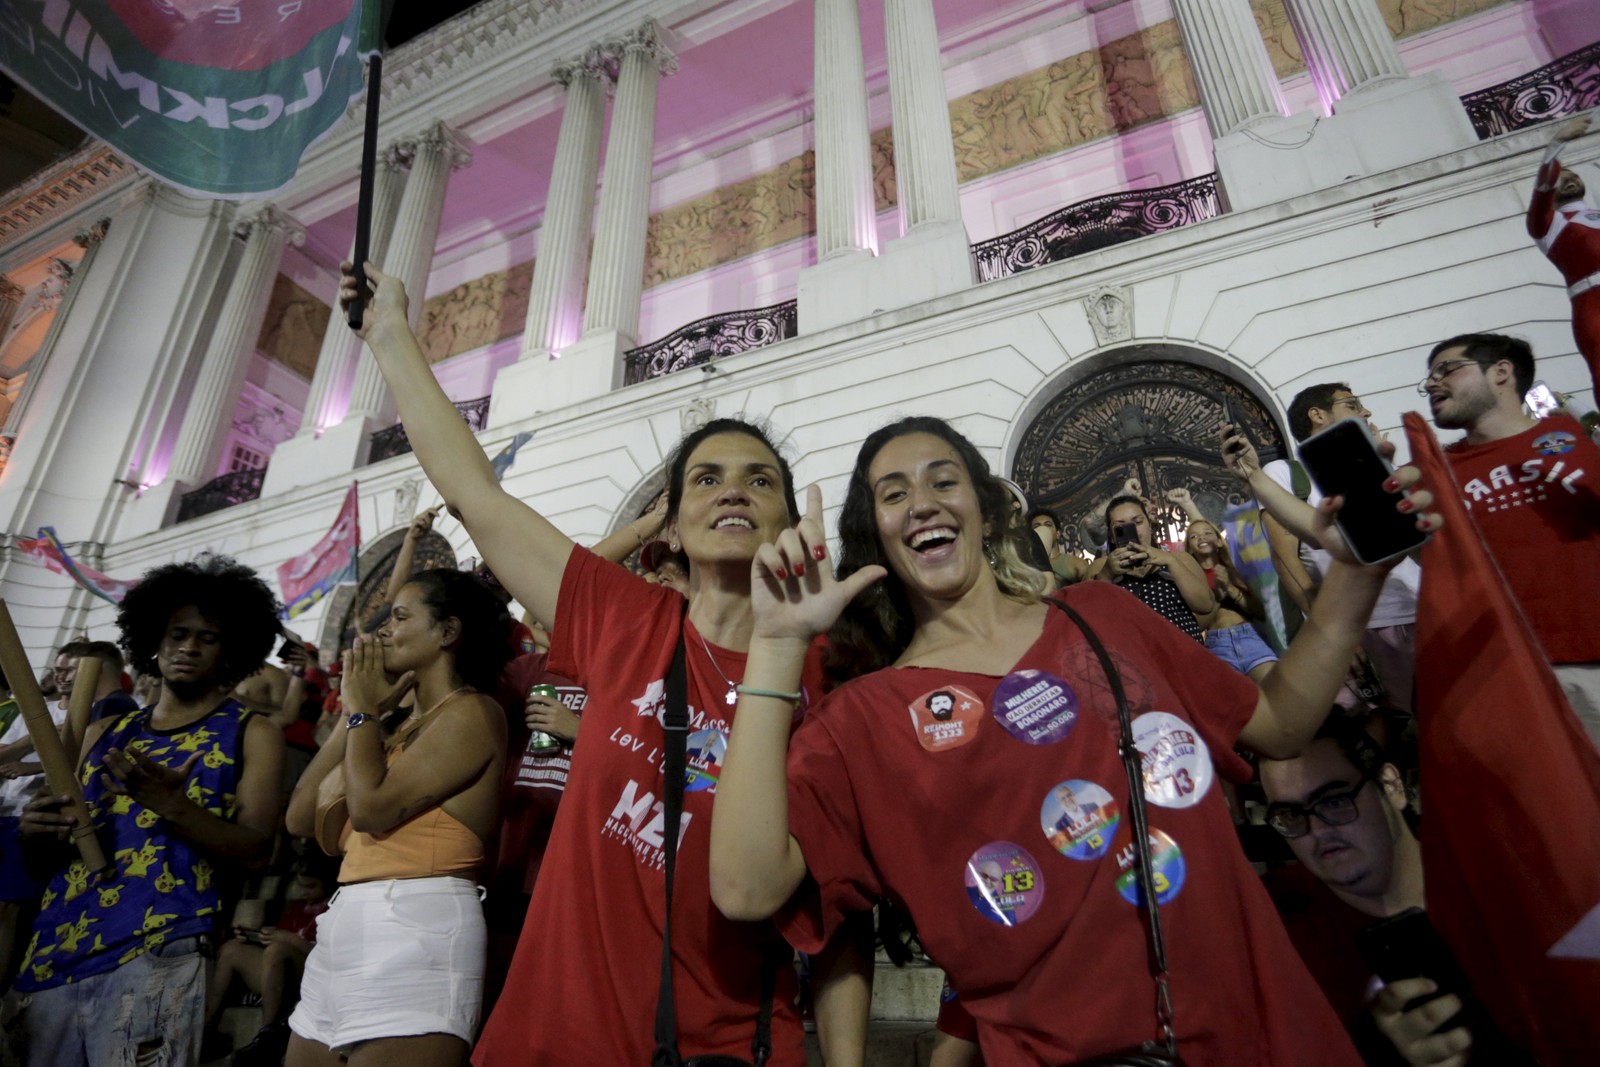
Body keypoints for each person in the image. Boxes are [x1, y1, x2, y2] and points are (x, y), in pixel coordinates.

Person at [709, 415, 1441, 1063]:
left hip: (1266, 1026)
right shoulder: (862, 718)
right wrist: (776, 646)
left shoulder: (1103, 616)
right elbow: (746, 887)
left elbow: (1280, 722)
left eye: (943, 479)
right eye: (894, 492)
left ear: (988, 511)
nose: (924, 501)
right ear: (877, 535)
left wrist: (1354, 569)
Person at [337, 259, 850, 1067]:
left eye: (761, 480)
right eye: (707, 478)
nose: (734, 491)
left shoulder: (822, 671)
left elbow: (819, 906)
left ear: (786, 515)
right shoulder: (624, 616)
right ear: (671, 528)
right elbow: (479, 495)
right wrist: (392, 336)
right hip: (549, 1034)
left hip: (710, 1044)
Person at [15, 554, 285, 1067]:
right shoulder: (100, 734)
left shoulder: (252, 732)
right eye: (177, 633)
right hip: (56, 951)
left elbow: (256, 850)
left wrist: (171, 807)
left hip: (162, 947)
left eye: (208, 638)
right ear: (152, 642)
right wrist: (35, 831)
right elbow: (49, 853)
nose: (188, 646)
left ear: (231, 651)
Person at [283, 568, 511, 1067]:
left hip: (419, 928)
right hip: (347, 921)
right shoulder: (390, 724)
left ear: (447, 633)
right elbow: (300, 818)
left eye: (401, 616)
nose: (383, 629)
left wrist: (364, 711)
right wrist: (355, 714)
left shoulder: (474, 714)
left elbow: (370, 811)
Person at [1258, 719, 1532, 1067]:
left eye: (1335, 800)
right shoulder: (1273, 925)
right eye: (1290, 815)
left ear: (1391, 785)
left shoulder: (1498, 878)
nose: (1316, 830)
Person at [1421, 332, 1600, 745]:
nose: (1431, 383)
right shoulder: (1437, 472)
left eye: (1446, 370)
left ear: (1501, 372)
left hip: (1590, 656)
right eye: (1428, 377)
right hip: (1503, 671)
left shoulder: (1578, 436)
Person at [1246, 384, 1420, 711]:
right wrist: (1331, 633)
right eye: (1352, 405)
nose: (1365, 412)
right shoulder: (1286, 474)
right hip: (1362, 624)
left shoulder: (1380, 467)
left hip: (1421, 610)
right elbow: (1286, 560)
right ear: (1318, 414)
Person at [1527, 113, 1599, 390]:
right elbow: (1544, 186)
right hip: (1593, 303)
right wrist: (1555, 146)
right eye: (1562, 178)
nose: (1568, 180)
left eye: (1574, 176)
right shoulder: (1548, 225)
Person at [1088, 494, 1214, 641]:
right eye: (1121, 526)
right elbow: (1090, 619)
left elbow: (1205, 605)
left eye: (1138, 522)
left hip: (1183, 652)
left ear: (1149, 524)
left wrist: (1171, 562)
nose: (1132, 530)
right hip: (1134, 656)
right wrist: (1106, 575)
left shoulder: (1179, 558)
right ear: (1111, 535)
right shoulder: (1100, 566)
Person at [1181, 519, 1277, 682]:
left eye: (1207, 533)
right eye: (1194, 536)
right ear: (1189, 548)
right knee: (1235, 702)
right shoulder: (1190, 580)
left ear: (1219, 541)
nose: (1201, 538)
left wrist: (1230, 589)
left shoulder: (1236, 570)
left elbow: (1261, 613)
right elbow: (1196, 626)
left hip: (1250, 637)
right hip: (1217, 643)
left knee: (1277, 689)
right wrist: (1218, 596)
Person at [54, 641, 139, 725]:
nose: (68, 678)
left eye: (75, 669)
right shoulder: (122, 702)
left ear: (96, 669)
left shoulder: (110, 706)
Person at [1025, 507, 1086, 584]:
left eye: (1048, 525)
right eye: (1037, 526)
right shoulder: (1025, 567)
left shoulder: (1075, 563)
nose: (1043, 529)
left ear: (1057, 534)